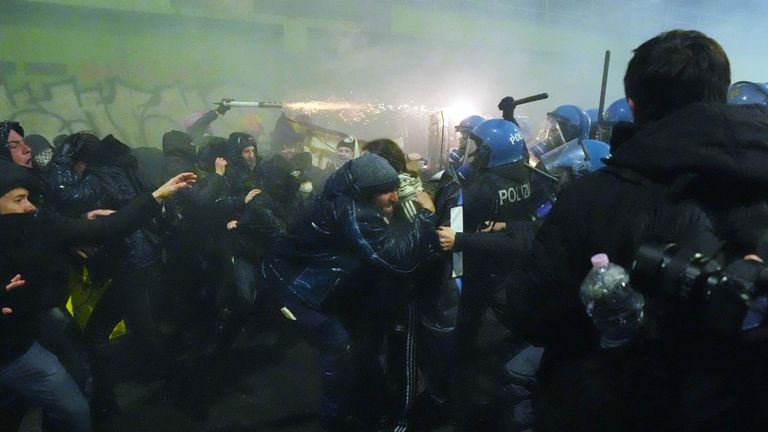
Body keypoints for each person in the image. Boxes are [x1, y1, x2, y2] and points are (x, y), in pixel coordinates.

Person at [508, 30, 768, 431]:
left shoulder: (594, 196)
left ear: (634, 103)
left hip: (610, 406)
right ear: (720, 92)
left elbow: (528, 313)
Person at [0, 160, 194, 432]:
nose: (29, 206)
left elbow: (104, 229)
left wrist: (156, 196)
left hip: (20, 347)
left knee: (74, 410)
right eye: (19, 200)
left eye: (29, 198)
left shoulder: (38, 224)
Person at [260, 152, 437, 430]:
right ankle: (334, 419)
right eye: (386, 193)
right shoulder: (354, 213)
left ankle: (352, 405)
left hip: (307, 277)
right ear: (365, 193)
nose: (394, 198)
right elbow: (399, 261)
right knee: (338, 347)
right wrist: (425, 214)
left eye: (394, 189)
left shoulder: (341, 189)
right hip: (299, 289)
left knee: (357, 346)